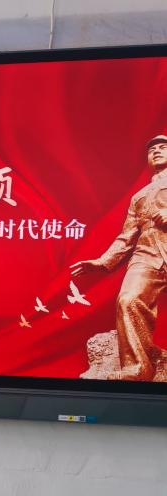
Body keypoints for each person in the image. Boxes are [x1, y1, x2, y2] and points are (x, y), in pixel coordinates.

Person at [71, 134, 167, 381]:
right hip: (147, 254)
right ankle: (137, 368)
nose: (156, 151)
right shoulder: (139, 197)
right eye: (152, 150)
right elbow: (126, 237)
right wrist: (103, 261)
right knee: (128, 300)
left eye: (163, 147)